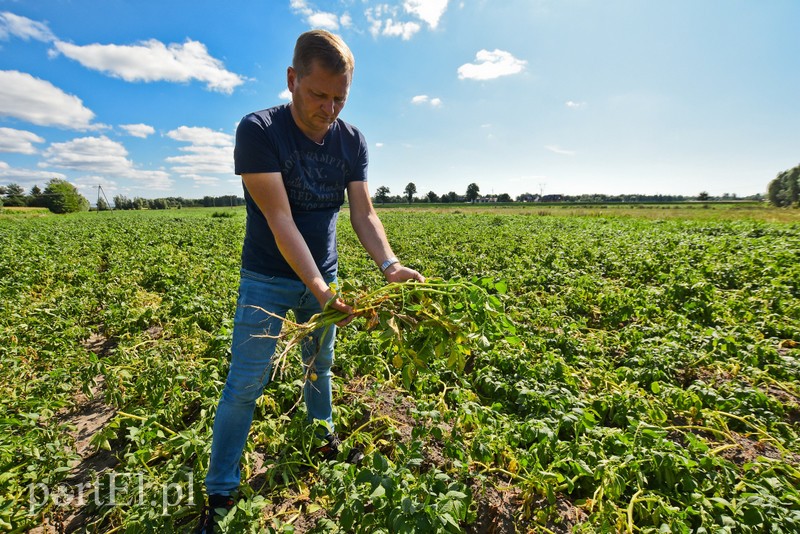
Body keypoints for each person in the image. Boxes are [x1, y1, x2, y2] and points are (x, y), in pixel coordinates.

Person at [197, 29, 424, 533]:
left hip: (326, 275)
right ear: (292, 79)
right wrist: (321, 290)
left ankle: (322, 437)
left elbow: (362, 213)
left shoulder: (351, 140)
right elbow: (280, 220)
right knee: (244, 385)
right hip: (267, 278)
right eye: (318, 95)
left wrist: (389, 264)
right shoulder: (259, 130)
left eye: (339, 98)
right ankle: (221, 490)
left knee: (318, 368)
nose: (329, 109)